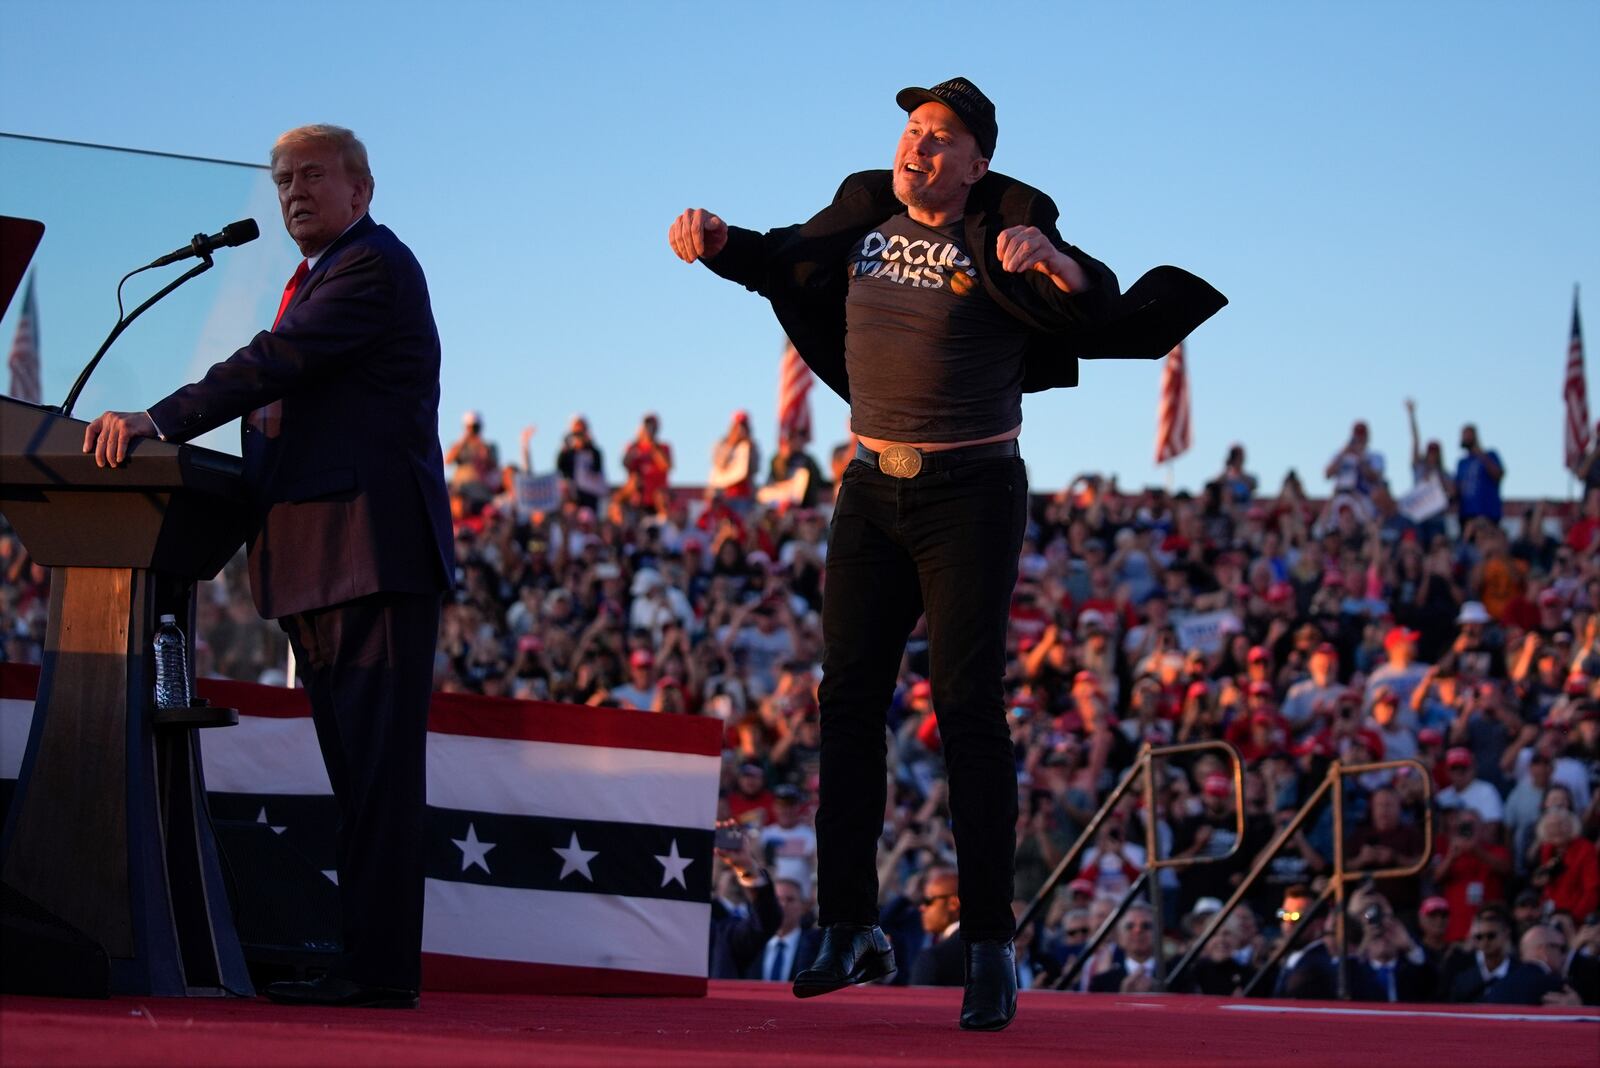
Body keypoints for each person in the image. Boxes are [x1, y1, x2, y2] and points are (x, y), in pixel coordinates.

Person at [668, 76, 1224, 1031]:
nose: (917, 147)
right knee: (845, 700)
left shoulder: (1005, 227)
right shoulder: (862, 214)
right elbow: (783, 261)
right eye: (912, 131)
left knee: (967, 709)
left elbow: (1097, 301)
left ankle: (990, 945)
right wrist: (720, 247)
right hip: (869, 488)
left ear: (976, 164)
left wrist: (1049, 258)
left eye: (941, 139)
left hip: (970, 492)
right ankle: (849, 926)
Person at [84, 125, 452, 1008]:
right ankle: (366, 959)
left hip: (369, 556)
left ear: (363, 191)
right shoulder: (315, 280)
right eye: (284, 178)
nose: (293, 191)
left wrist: (160, 420)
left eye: (313, 175)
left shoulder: (371, 268)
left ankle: (379, 971)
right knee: (356, 778)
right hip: (323, 562)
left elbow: (275, 363)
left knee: (376, 781)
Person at [909, 866, 964, 987]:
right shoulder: (999, 953)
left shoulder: (933, 958)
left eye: (928, 901)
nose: (922, 908)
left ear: (953, 903)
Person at [1453, 424, 1504, 525]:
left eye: (1467, 434)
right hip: (1466, 515)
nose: (1464, 438)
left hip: (1488, 513)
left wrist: (1480, 453)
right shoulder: (1461, 463)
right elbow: (1457, 488)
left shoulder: (1490, 455)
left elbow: (1498, 474)